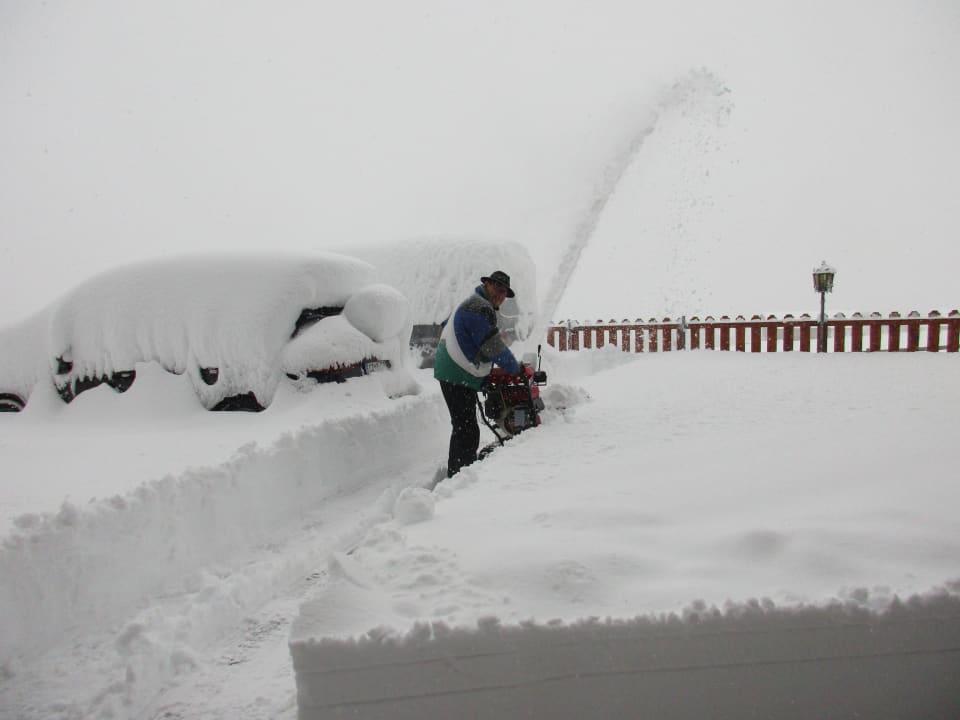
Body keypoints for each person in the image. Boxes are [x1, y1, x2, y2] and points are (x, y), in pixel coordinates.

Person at [434, 270, 522, 478]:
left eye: (504, 292)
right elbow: (492, 346)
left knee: (465, 426)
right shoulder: (478, 308)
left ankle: (461, 470)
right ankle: (458, 476)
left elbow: (449, 326)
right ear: (487, 284)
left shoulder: (472, 303)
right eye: (498, 288)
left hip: (454, 371)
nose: (500, 295)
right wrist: (515, 369)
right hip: (456, 373)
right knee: (466, 429)